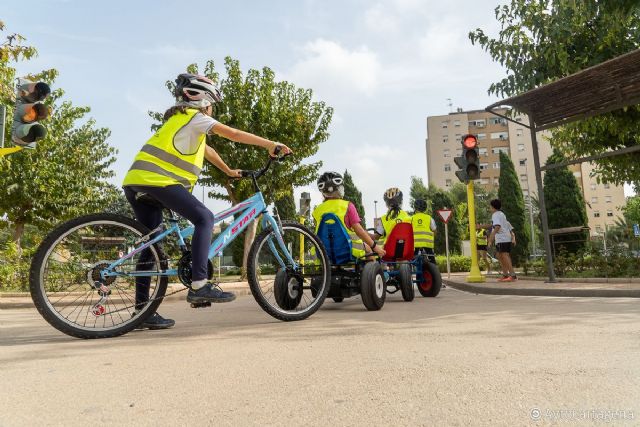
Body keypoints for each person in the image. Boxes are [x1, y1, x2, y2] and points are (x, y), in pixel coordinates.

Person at [122, 73, 291, 329]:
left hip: (137, 181)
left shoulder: (178, 120)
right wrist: (272, 144)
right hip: (159, 180)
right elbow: (233, 134)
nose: (212, 111)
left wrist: (228, 170)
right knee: (205, 218)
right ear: (204, 99)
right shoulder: (196, 117)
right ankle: (200, 285)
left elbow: (207, 150)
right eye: (212, 105)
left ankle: (141, 313)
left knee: (150, 249)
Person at [312, 172, 386, 259]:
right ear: (340, 189)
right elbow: (359, 230)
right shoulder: (347, 206)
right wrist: (375, 247)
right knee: (368, 249)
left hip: (323, 252)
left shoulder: (317, 210)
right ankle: (373, 271)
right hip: (346, 249)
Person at [487, 199, 517, 282]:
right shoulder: (501, 214)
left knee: (504, 255)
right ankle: (505, 275)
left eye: (490, 206)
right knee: (499, 256)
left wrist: (490, 239)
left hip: (502, 239)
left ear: (493, 207)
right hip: (503, 238)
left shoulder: (495, 215)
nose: (489, 207)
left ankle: (512, 275)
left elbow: (497, 227)